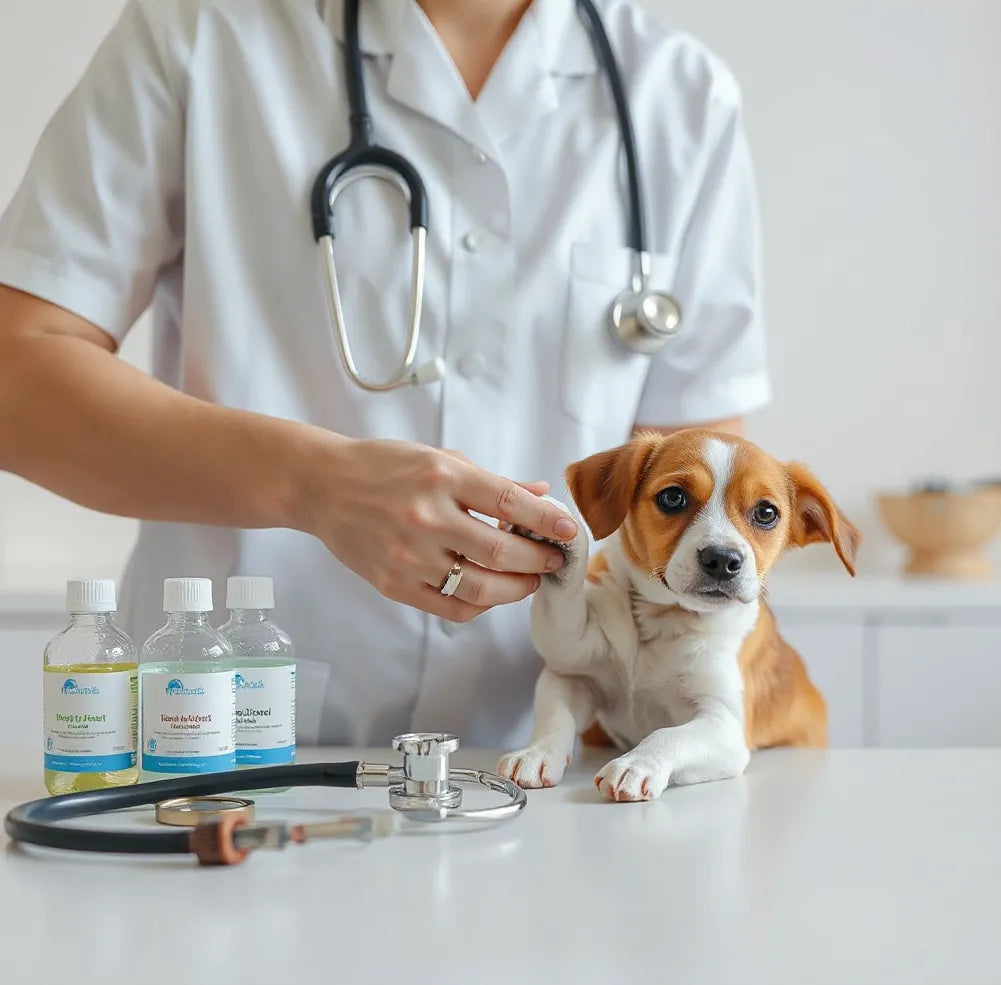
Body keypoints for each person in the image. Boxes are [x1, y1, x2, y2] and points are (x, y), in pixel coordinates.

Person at [0, 0, 770, 748]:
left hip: (557, 758)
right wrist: (312, 483)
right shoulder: (201, 32)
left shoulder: (680, 95)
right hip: (218, 737)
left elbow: (690, 492)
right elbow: (17, 369)